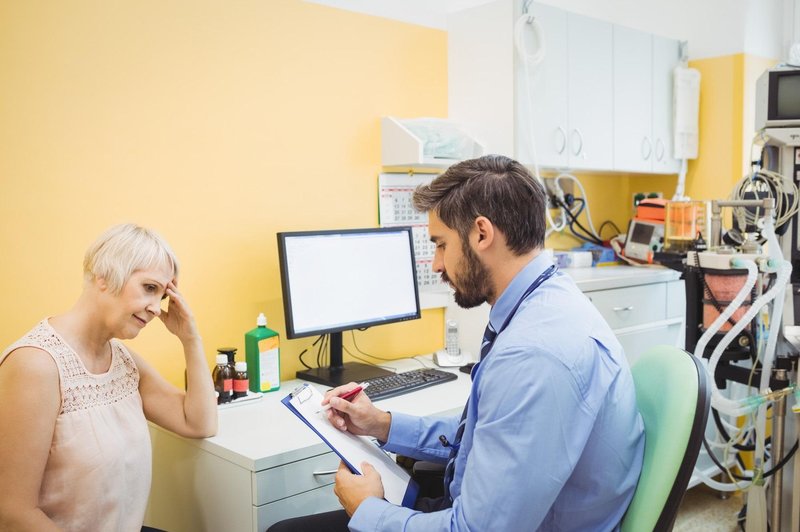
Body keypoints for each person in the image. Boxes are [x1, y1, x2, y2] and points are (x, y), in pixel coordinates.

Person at [268, 154, 644, 531]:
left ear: (482, 233)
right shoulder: (547, 303)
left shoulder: (533, 355)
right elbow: (487, 436)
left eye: (441, 244)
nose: (435, 264)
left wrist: (366, 509)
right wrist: (381, 424)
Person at [0, 223, 218, 531]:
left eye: (163, 295)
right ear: (104, 277)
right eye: (150, 288)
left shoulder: (123, 362)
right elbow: (12, 513)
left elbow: (199, 423)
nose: (157, 309)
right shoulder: (35, 366)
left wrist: (190, 339)